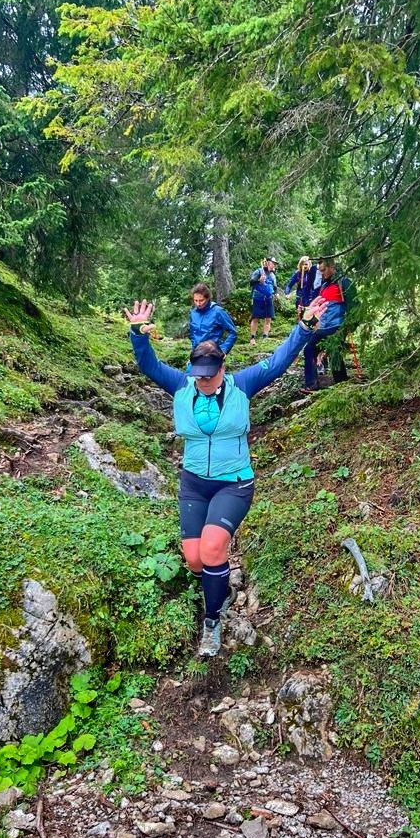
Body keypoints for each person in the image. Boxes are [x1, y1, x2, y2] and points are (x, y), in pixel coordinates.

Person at [124, 294, 330, 657]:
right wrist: (138, 334)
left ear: (221, 368)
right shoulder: (182, 386)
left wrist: (304, 327)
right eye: (198, 375)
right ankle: (220, 588)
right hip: (193, 483)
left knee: (212, 548)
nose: (203, 381)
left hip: (234, 483)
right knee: (194, 559)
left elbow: (279, 361)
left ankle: (213, 621)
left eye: (209, 375)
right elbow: (148, 364)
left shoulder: (242, 385)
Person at [301, 258, 350, 393]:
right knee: (309, 349)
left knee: (334, 351)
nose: (321, 273)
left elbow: (354, 306)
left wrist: (348, 326)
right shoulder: (324, 285)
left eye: (323, 270)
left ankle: (341, 383)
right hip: (323, 327)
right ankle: (312, 385)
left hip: (338, 325)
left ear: (332, 267)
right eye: (320, 270)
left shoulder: (344, 282)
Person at [188, 282, 237, 356]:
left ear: (207, 298)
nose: (198, 304)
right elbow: (193, 335)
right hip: (197, 353)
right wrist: (192, 353)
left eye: (201, 300)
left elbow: (233, 332)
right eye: (196, 300)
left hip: (213, 353)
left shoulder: (218, 311)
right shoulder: (193, 313)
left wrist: (224, 350)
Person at [248, 256, 279, 344]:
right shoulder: (259, 271)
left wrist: (276, 293)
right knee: (255, 318)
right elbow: (251, 282)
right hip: (258, 298)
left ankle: (265, 337)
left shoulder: (272, 275)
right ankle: (252, 337)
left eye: (275, 264)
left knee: (268, 318)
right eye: (273, 263)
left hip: (268, 298)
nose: (274, 265)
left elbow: (274, 286)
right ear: (268, 262)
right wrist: (259, 280)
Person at [285, 256, 319, 322]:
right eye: (302, 264)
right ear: (300, 265)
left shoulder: (312, 273)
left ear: (309, 264)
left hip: (310, 299)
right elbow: (289, 285)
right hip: (300, 299)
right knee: (300, 318)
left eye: (306, 264)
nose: (304, 266)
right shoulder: (297, 273)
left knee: (309, 318)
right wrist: (287, 293)